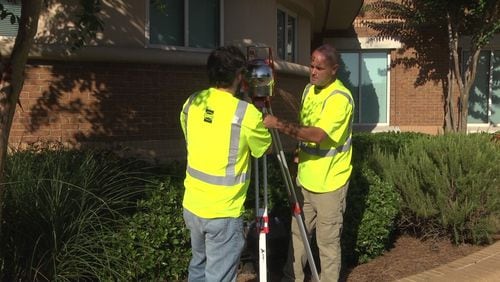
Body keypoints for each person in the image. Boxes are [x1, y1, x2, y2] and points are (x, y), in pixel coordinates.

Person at [180, 45, 272, 282]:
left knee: (198, 267)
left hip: (193, 205)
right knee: (218, 277)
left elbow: (190, 135)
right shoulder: (246, 113)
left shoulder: (192, 102)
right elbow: (263, 148)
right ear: (241, 77)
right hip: (223, 211)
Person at [263, 44, 354, 282]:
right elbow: (305, 127)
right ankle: (290, 278)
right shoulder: (308, 90)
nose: (313, 71)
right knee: (298, 236)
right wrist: (297, 154)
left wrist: (278, 124)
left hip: (330, 184)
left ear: (334, 69)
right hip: (305, 179)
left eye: (319, 68)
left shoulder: (339, 98)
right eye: (311, 66)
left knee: (327, 243)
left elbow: (316, 134)